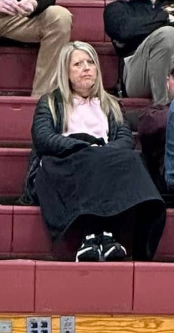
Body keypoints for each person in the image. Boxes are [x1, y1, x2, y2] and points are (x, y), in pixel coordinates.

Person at [22, 42, 165, 261]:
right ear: (66, 73)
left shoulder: (111, 104)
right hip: (67, 164)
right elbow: (44, 138)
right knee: (92, 162)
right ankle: (96, 236)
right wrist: (82, 147)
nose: (86, 68)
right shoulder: (50, 102)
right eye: (78, 64)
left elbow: (125, 140)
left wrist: (100, 153)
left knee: (131, 160)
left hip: (105, 162)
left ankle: (105, 238)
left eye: (90, 63)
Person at [105, 0, 174, 104]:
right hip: (137, 77)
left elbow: (132, 32)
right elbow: (123, 32)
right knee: (167, 35)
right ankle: (162, 108)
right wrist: (166, 17)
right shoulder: (119, 9)